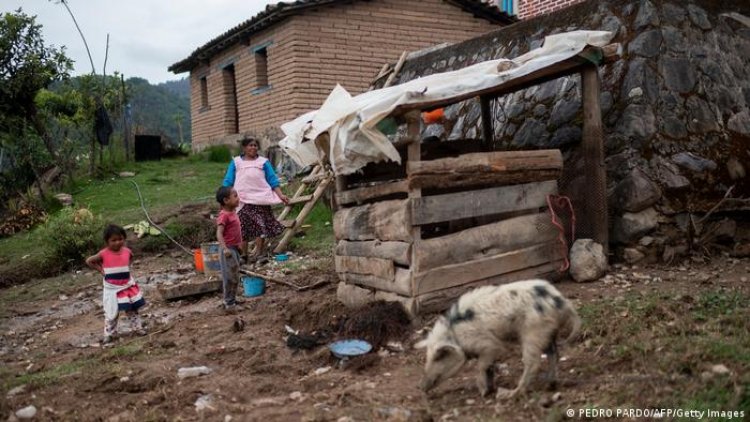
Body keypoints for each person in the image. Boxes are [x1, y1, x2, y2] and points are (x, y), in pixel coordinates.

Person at [222, 137, 289, 259]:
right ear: (244, 148)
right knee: (242, 227)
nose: (253, 147)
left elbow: (272, 180)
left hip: (260, 198)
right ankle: (244, 255)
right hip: (242, 199)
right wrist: (224, 197)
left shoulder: (263, 162)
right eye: (250, 145)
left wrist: (281, 195)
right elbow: (228, 181)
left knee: (261, 226)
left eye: (255, 145)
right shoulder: (236, 162)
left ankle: (259, 253)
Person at [86, 224, 146, 343]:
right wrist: (101, 270)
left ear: (124, 239)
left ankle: (137, 328)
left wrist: (125, 269)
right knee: (112, 312)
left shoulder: (127, 251)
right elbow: (89, 261)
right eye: (113, 240)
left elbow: (130, 258)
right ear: (107, 241)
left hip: (126, 286)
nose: (117, 242)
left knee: (132, 309)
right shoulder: (103, 253)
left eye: (120, 239)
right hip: (112, 288)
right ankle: (109, 334)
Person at [215, 186, 243, 310]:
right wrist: (225, 248)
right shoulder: (224, 215)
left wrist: (239, 246)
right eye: (235, 196)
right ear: (226, 200)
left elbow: (236, 232)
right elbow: (219, 233)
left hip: (234, 249)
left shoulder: (233, 213)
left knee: (235, 276)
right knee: (230, 277)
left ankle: (232, 300)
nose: (238, 198)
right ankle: (229, 304)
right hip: (228, 250)